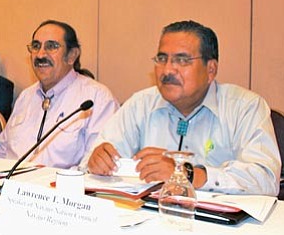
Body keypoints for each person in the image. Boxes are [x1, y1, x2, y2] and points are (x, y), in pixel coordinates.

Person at [83, 20, 281, 196]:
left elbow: (265, 178)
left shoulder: (245, 107)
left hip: (221, 229)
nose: (168, 70)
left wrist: (187, 174)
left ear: (210, 69)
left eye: (182, 60)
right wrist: (97, 163)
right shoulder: (140, 104)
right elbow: (87, 165)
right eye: (162, 59)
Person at [0, 20, 119, 168]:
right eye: (36, 46)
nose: (40, 54)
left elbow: (97, 166)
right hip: (10, 187)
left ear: (71, 55)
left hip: (60, 188)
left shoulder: (97, 98)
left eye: (51, 47)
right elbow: (1, 152)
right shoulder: (25, 97)